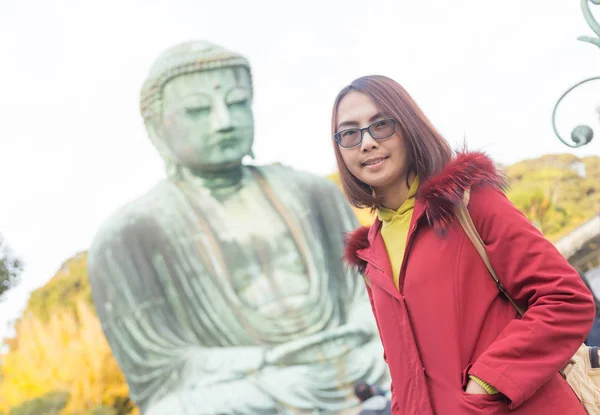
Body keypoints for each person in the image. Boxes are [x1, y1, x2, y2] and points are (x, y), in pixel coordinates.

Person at [87, 42, 388, 415]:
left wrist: (357, 331)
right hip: (256, 384)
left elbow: (370, 294)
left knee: (423, 342)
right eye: (198, 110)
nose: (223, 121)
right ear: (156, 127)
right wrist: (268, 360)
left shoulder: (313, 192)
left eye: (236, 102)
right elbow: (162, 368)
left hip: (359, 357)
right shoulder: (128, 235)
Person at [334, 75, 596, 414]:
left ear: (408, 126)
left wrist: (487, 384)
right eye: (350, 133)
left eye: (381, 124)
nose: (366, 142)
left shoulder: (469, 202)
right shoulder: (370, 258)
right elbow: (405, 376)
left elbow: (566, 300)